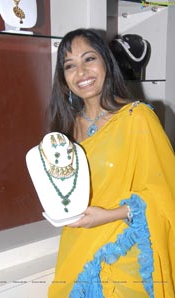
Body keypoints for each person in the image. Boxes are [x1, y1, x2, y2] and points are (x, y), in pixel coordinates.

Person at [47, 28, 175, 297]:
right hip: (79, 247)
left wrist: (110, 215)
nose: (81, 72)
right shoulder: (65, 130)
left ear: (106, 62)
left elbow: (165, 195)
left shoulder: (137, 118)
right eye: (70, 65)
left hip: (124, 257)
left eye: (89, 59)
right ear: (63, 77)